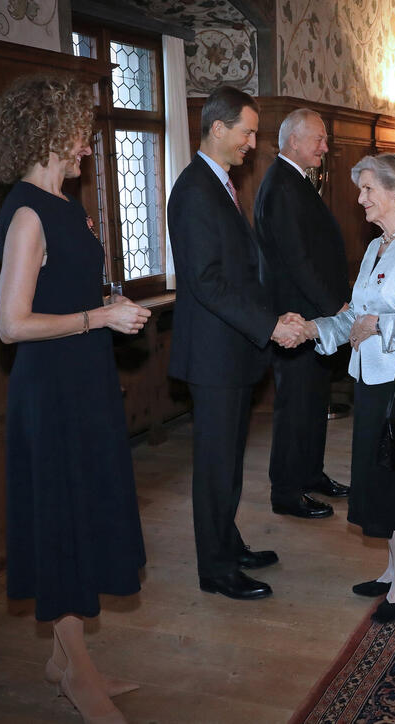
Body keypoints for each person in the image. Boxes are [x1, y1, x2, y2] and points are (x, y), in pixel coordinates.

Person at [0, 74, 152, 723]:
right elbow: (11, 323)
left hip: (83, 384)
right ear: (54, 130)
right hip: (51, 391)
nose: (88, 144)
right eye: (81, 130)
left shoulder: (61, 205)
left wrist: (107, 305)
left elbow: (70, 291)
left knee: (83, 514)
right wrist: (97, 320)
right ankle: (75, 672)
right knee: (60, 520)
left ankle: (68, 660)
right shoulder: (29, 208)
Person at [167, 86, 305, 602]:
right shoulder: (194, 189)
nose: (253, 142)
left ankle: (230, 540)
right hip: (214, 354)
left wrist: (273, 316)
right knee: (216, 464)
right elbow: (207, 282)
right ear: (218, 128)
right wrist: (269, 327)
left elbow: (242, 274)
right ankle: (217, 567)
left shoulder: (219, 182)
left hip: (233, 347)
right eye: (247, 131)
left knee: (229, 460)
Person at [302, 153, 395, 623]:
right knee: (377, 474)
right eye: (361, 189)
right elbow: (354, 317)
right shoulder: (377, 246)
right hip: (371, 378)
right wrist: (311, 330)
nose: (360, 198)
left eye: (368, 189)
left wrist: (378, 323)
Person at [255, 108, 350, 519]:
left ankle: (311, 475)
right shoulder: (281, 185)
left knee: (314, 402)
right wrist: (336, 308)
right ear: (293, 140)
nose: (325, 148)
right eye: (319, 140)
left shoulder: (295, 181)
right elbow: (297, 260)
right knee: (295, 408)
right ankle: (287, 492)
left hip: (313, 319)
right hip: (295, 320)